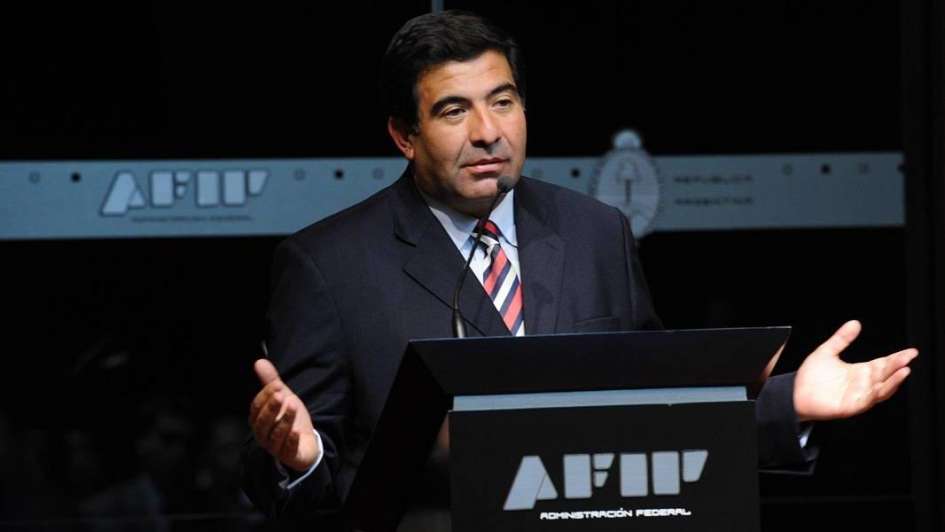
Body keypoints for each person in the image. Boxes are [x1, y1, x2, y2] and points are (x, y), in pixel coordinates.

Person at [242, 10, 917, 528]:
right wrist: (301, 459)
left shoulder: (594, 231)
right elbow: (297, 475)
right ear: (403, 135)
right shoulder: (328, 265)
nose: (487, 131)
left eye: (502, 101)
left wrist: (788, 401)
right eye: (453, 111)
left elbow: (659, 411)